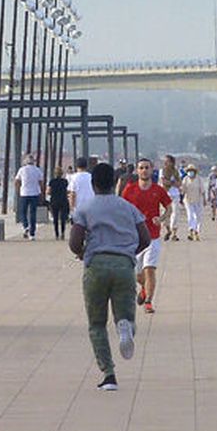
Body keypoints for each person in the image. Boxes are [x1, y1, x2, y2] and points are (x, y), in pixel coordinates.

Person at [69, 162, 149, 391]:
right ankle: (125, 326)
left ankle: (109, 375)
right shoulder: (128, 207)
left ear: (93, 184)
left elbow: (74, 242)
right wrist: (127, 252)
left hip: (96, 265)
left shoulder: (85, 208)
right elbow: (145, 238)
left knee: (96, 324)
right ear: (114, 183)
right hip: (123, 265)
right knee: (126, 316)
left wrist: (83, 253)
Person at [122, 157, 172, 314]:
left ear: (152, 170)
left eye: (147, 167)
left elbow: (169, 207)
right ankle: (144, 288)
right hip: (134, 238)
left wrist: (161, 218)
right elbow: (122, 209)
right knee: (138, 275)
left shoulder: (158, 190)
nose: (144, 170)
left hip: (153, 237)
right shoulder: (129, 190)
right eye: (141, 168)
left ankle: (149, 301)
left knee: (149, 269)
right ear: (137, 171)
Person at [15, 153, 46, 240]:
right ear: (33, 161)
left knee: (23, 212)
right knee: (33, 213)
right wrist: (42, 193)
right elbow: (41, 183)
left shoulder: (22, 170)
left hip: (24, 193)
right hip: (34, 194)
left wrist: (18, 190)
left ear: (26, 161)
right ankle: (32, 234)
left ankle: (26, 226)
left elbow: (16, 181)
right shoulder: (37, 170)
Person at [181, 164, 206, 240]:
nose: (190, 172)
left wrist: (204, 200)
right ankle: (191, 230)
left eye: (192, 171)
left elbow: (202, 190)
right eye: (189, 171)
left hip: (198, 200)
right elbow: (183, 190)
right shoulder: (185, 179)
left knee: (198, 217)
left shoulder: (199, 179)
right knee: (190, 215)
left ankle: (197, 231)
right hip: (188, 200)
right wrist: (181, 199)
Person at [160, 155, 182, 241]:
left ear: (172, 163)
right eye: (165, 161)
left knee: (175, 213)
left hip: (175, 195)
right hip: (166, 194)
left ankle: (174, 233)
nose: (165, 163)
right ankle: (168, 230)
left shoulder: (176, 172)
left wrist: (172, 183)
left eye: (168, 161)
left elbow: (179, 183)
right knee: (166, 213)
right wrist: (173, 183)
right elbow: (164, 182)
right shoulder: (162, 171)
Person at [47, 166, 71, 240]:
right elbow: (68, 190)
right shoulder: (65, 181)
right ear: (62, 173)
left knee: (55, 218)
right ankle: (63, 233)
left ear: (55, 173)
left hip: (54, 201)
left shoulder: (52, 181)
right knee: (63, 218)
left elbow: (48, 192)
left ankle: (57, 234)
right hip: (63, 201)